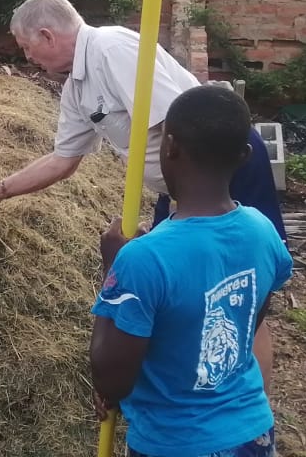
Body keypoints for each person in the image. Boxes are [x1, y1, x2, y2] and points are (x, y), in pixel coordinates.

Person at [0, 0, 285, 392]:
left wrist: (189, 212)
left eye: (27, 47)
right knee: (190, 289)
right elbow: (63, 160)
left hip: (222, 167)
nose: (27, 58)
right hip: (183, 186)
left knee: (242, 291)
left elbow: (177, 129)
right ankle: (199, 383)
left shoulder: (111, 49)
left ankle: (254, 402)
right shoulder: (76, 87)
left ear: (47, 35)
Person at [90, 85, 293, 457]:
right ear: (246, 156)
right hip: (253, 435)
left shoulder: (143, 258)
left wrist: (112, 271)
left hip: (174, 443)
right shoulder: (264, 232)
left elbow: (111, 379)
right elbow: (247, 320)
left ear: (169, 148)